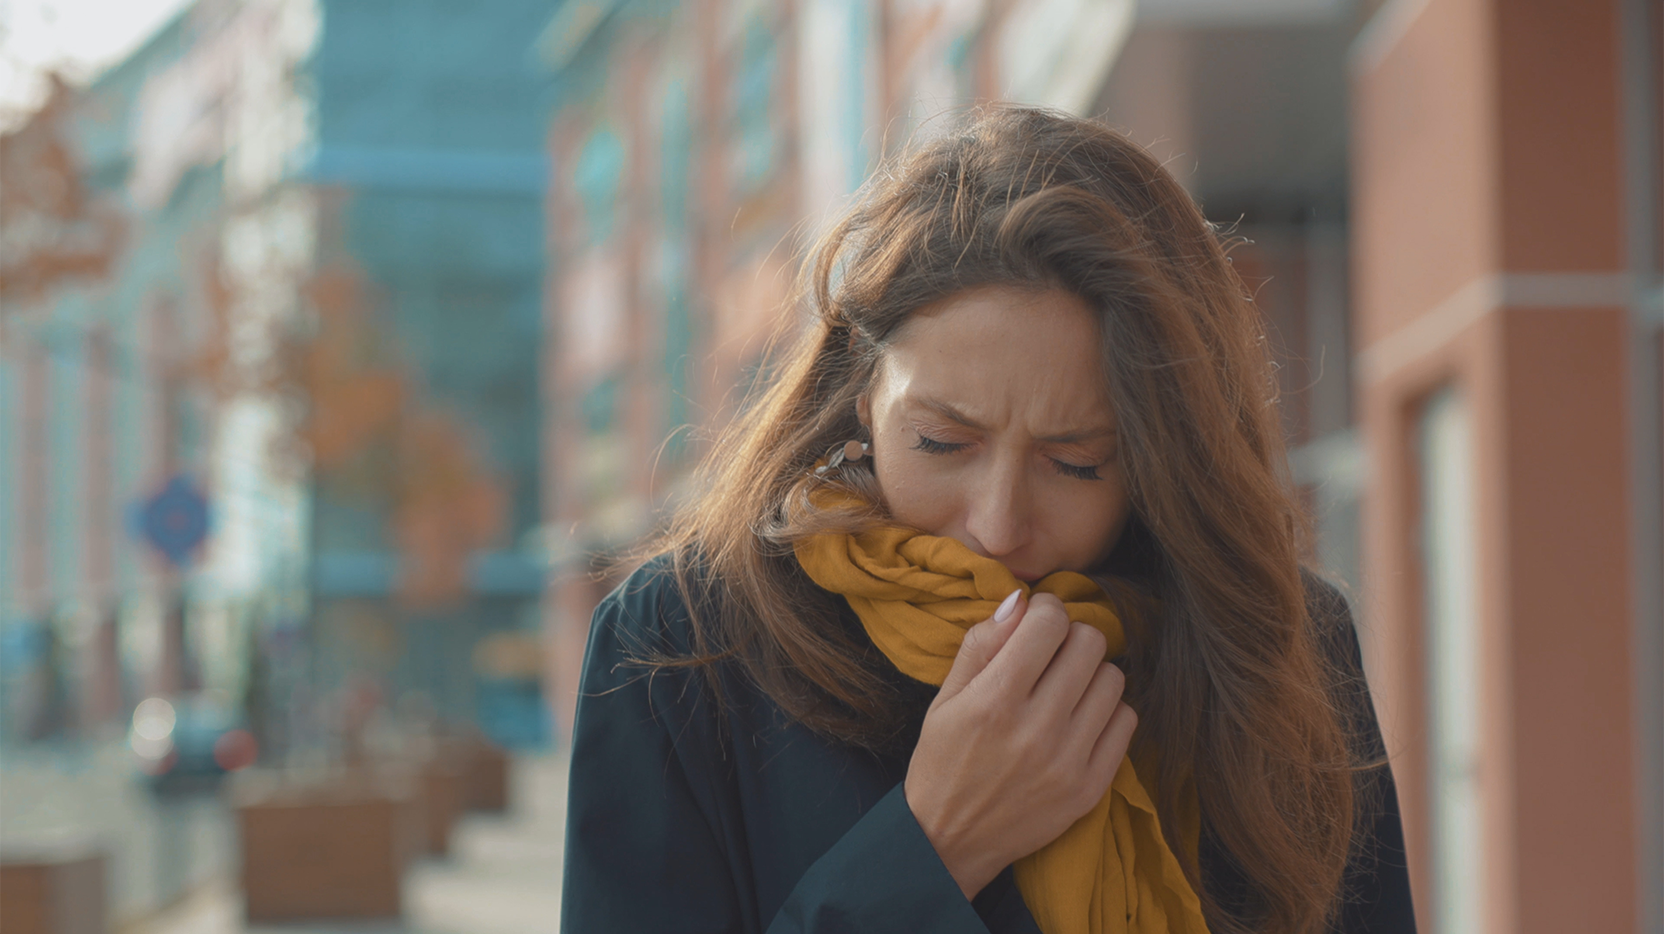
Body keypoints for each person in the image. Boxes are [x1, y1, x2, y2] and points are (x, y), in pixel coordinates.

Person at [560, 106, 1416, 934]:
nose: (999, 524)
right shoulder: (684, 647)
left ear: (1163, 458)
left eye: (1076, 462)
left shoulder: (1275, 639)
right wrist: (937, 843)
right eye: (941, 442)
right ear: (862, 399)